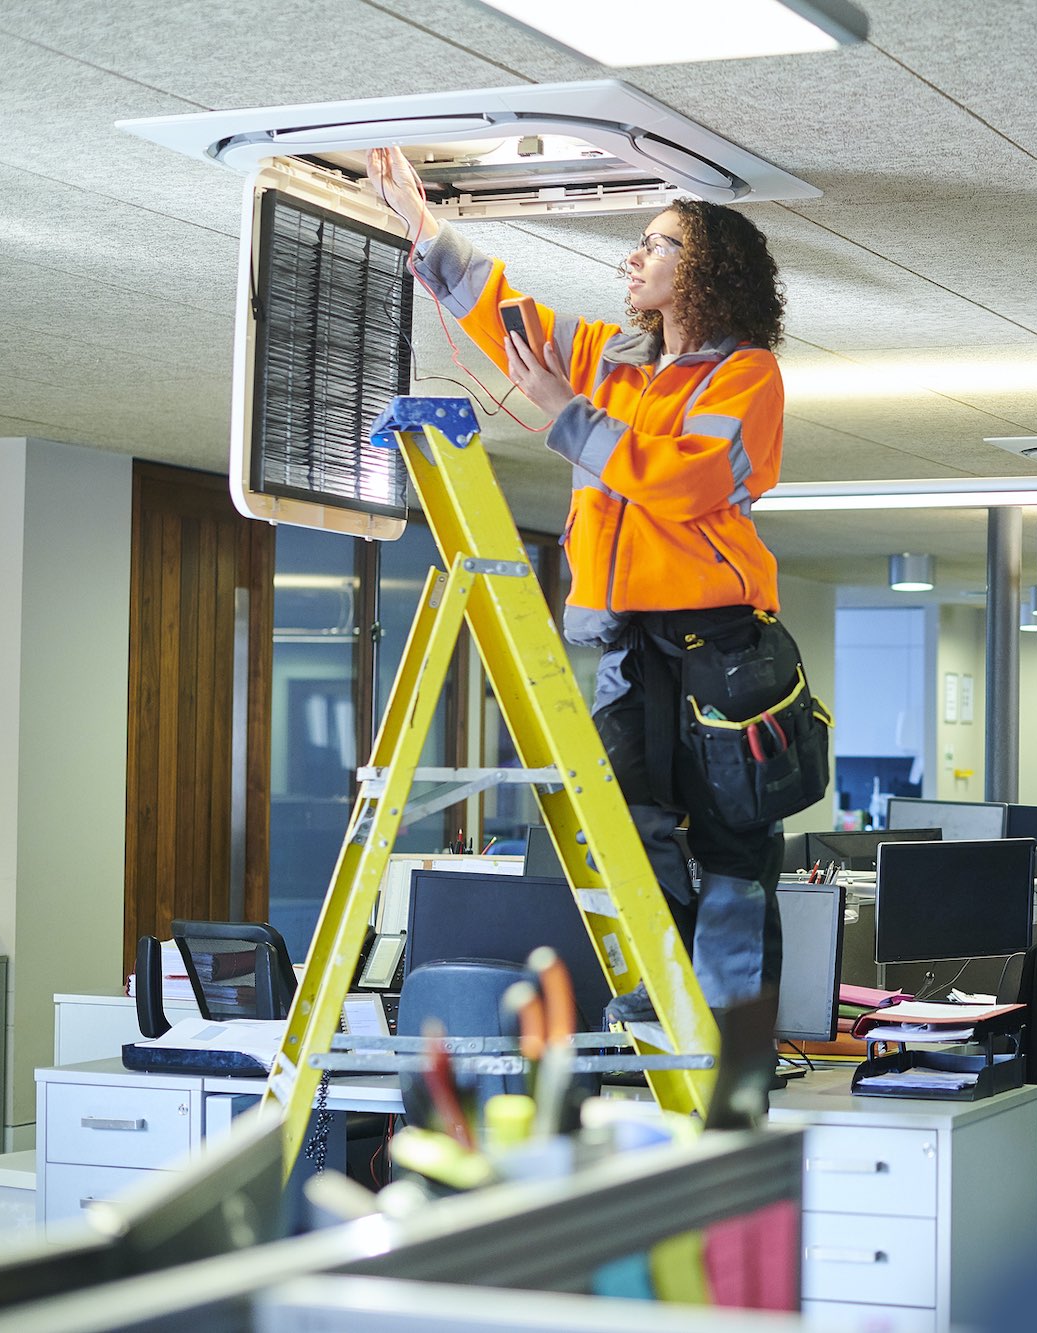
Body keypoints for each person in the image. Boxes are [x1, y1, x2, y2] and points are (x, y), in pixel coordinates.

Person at [367, 146, 804, 1033]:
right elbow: (508, 319)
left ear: (706, 271)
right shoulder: (610, 361)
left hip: (721, 645)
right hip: (628, 643)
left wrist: (569, 416)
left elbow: (684, 482)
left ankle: (739, 1064)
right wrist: (425, 226)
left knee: (732, 858)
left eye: (656, 243)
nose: (633, 257)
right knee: (623, 824)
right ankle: (672, 976)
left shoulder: (746, 376)